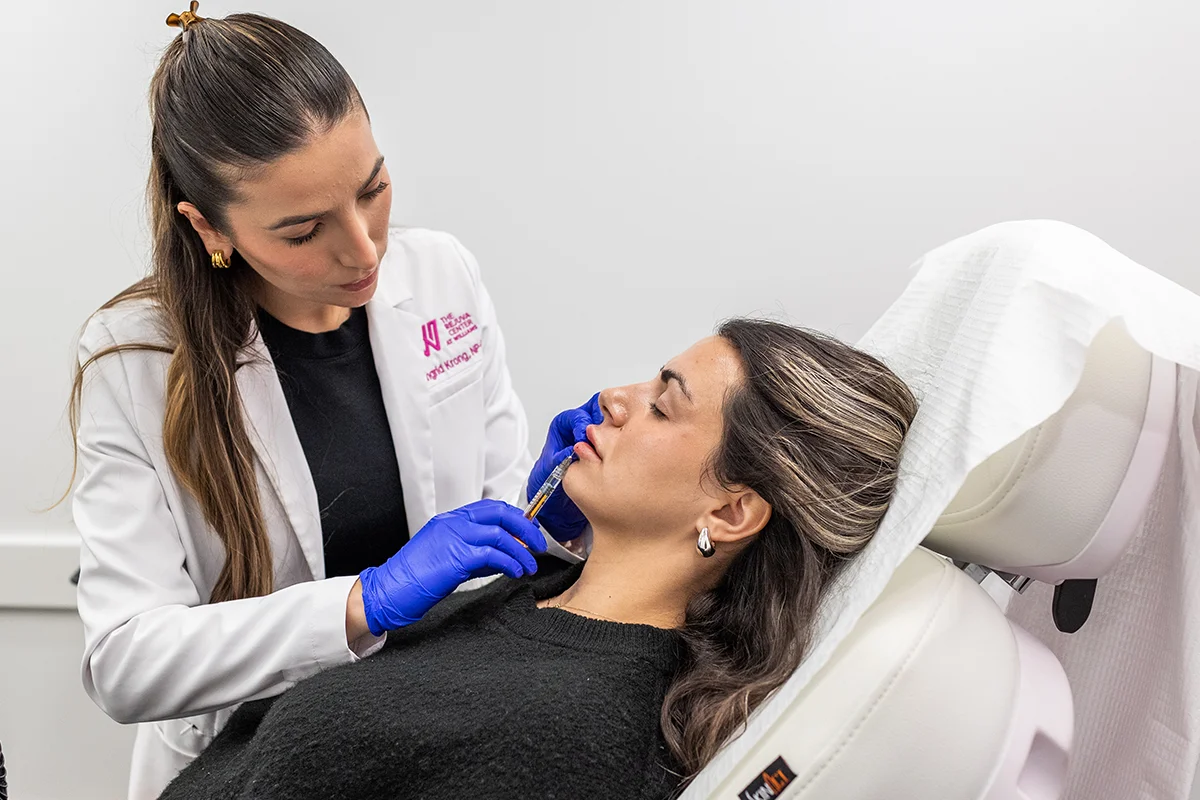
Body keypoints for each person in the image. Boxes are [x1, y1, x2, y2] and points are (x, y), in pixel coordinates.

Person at [65, 7, 600, 798]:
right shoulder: (136, 359)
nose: (363, 247)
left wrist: (546, 514)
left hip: (428, 731)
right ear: (209, 228)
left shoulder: (442, 276)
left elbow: (480, 517)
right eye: (303, 229)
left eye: (373, 187)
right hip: (257, 764)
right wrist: (363, 603)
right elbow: (125, 661)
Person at [157, 318, 919, 800]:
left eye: (662, 402)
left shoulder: (574, 738)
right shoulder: (539, 593)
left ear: (728, 510)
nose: (613, 397)